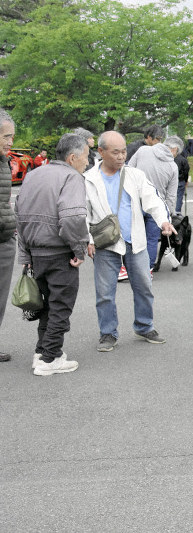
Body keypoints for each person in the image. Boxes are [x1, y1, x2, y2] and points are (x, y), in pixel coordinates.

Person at [85, 131, 176, 352]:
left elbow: (152, 199)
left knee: (144, 286)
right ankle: (108, 333)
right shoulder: (88, 179)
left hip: (135, 241)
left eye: (124, 151)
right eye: (115, 152)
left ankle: (144, 326)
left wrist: (163, 221)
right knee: (105, 292)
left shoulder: (135, 174)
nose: (121, 156)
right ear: (101, 151)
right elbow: (82, 213)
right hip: (105, 243)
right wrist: (87, 240)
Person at [15, 133, 90, 375]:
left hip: (36, 251)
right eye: (86, 157)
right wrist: (79, 249)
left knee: (47, 305)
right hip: (60, 251)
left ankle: (43, 352)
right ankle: (50, 359)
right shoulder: (72, 177)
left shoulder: (34, 175)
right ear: (72, 157)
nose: (87, 162)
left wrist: (26, 255)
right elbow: (73, 217)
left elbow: (19, 216)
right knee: (61, 306)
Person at [129, 135, 181, 269]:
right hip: (157, 205)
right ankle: (148, 268)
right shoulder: (172, 166)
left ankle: (130, 267)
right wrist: (169, 216)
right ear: (174, 149)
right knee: (152, 239)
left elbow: (128, 170)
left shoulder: (142, 151)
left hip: (136, 201)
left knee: (133, 236)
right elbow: (171, 195)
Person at [0, 108, 17, 363]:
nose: (10, 142)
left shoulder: (4, 161)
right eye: (6, 137)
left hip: (4, 239)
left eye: (12, 137)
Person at [174, 146, 190, 214]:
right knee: (179, 197)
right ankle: (177, 211)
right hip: (181, 180)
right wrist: (186, 181)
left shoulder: (172, 159)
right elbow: (186, 171)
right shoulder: (184, 160)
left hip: (172, 180)